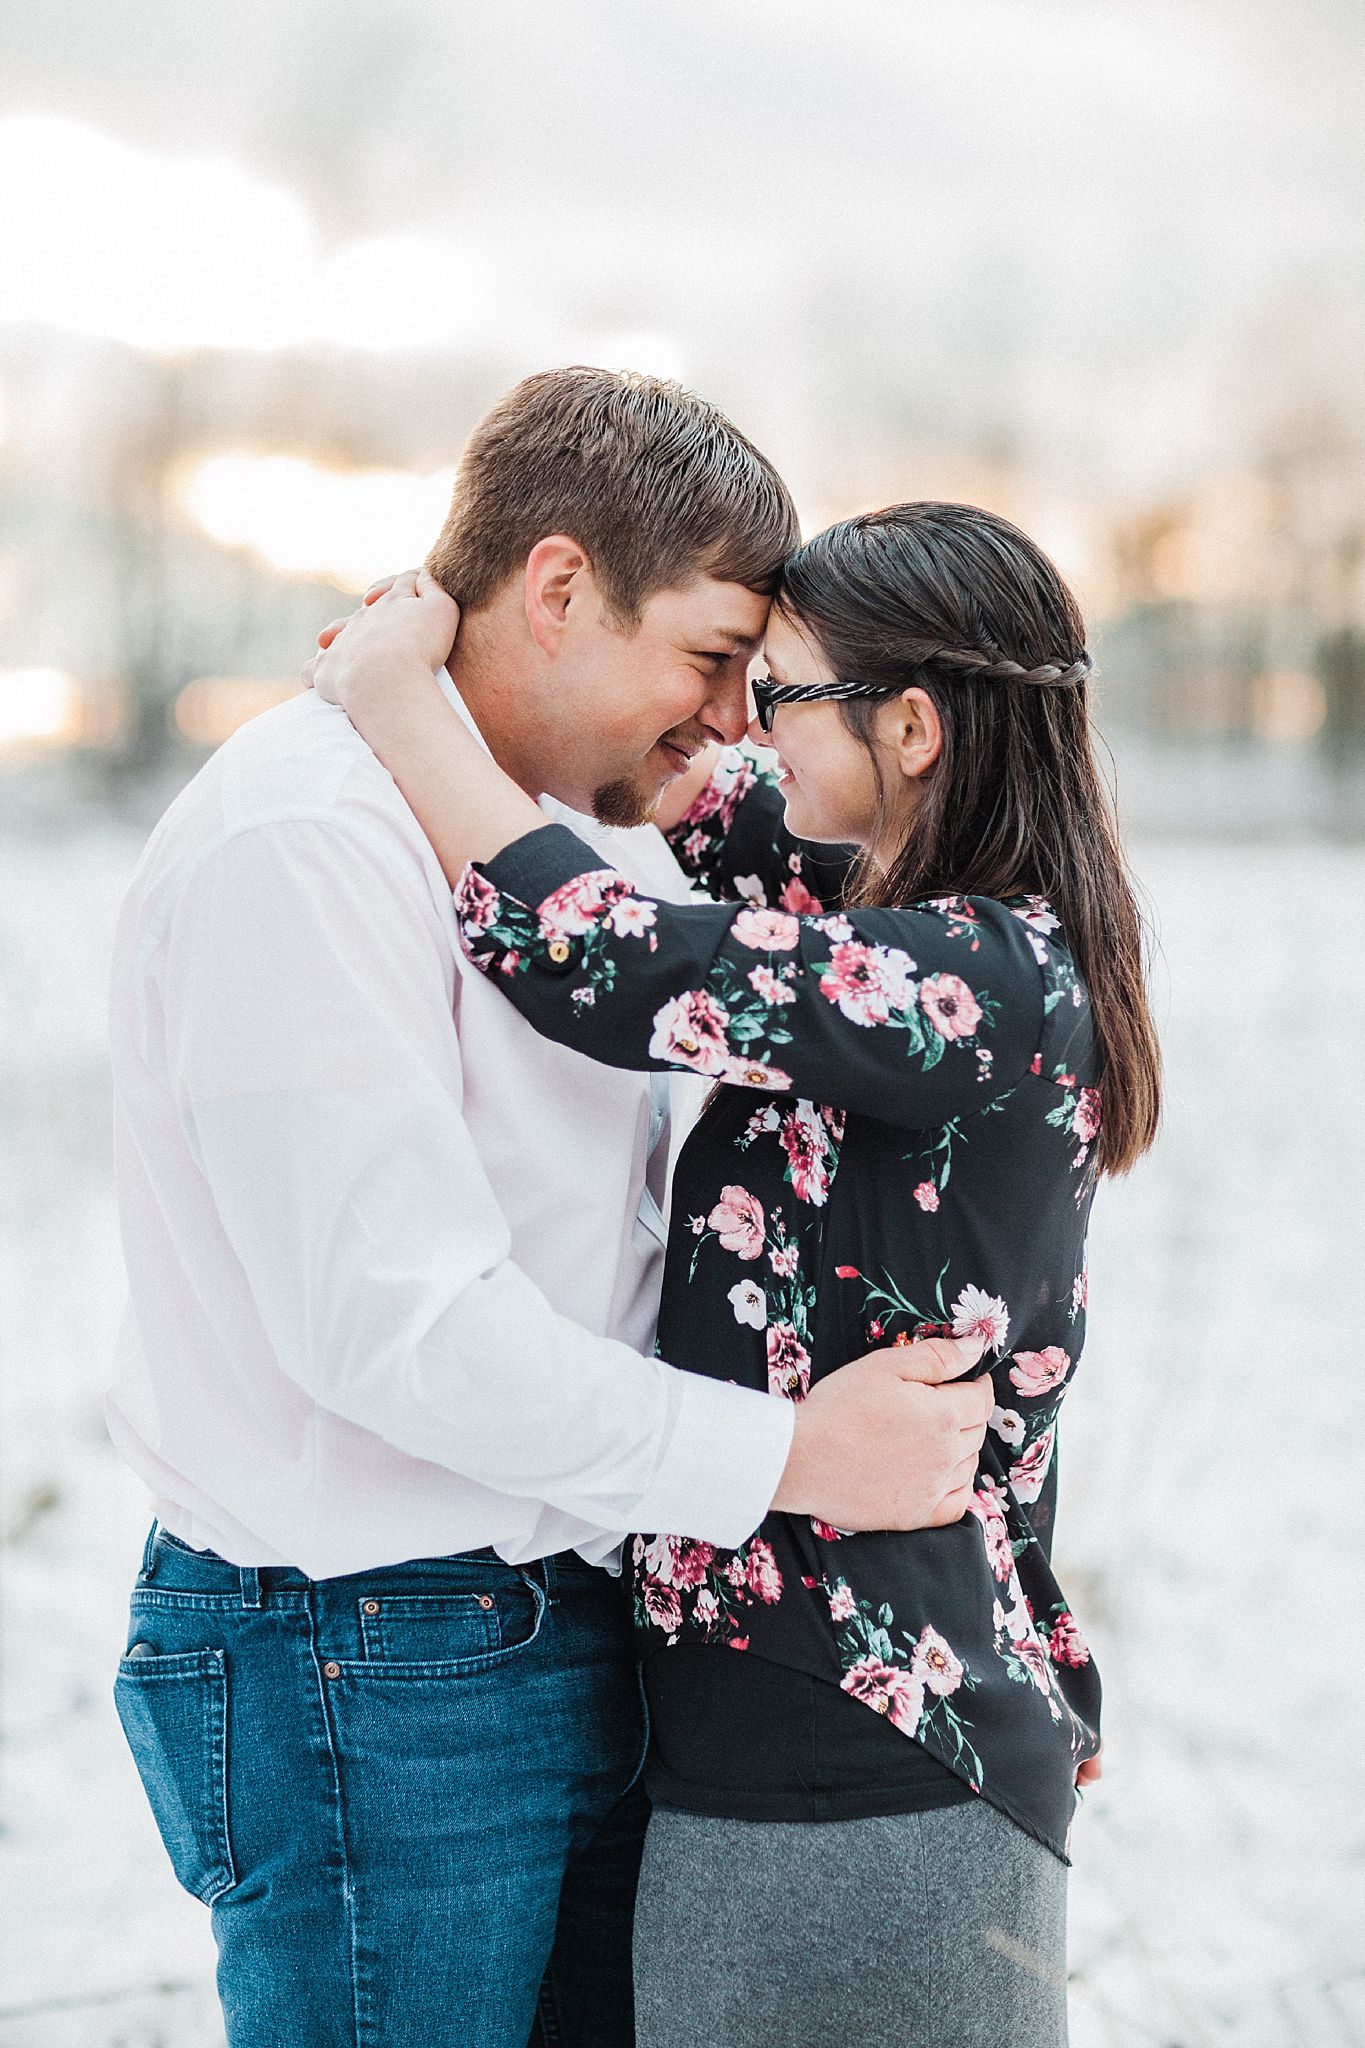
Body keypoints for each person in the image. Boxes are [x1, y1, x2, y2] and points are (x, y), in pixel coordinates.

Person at [106, 369, 992, 2048]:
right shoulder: (304, 843)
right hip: (369, 1665)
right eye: (715, 659)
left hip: (568, 1619)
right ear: (563, 588)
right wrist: (794, 1460)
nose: (734, 719)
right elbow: (403, 1331)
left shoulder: (603, 845)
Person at [305, 499, 1161, 2048]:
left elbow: (598, 949)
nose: (742, 731)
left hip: (872, 1755)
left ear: (906, 727)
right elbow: (655, 782)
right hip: (782, 1736)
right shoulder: (857, 897)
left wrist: (386, 701)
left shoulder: (974, 978)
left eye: (778, 694)